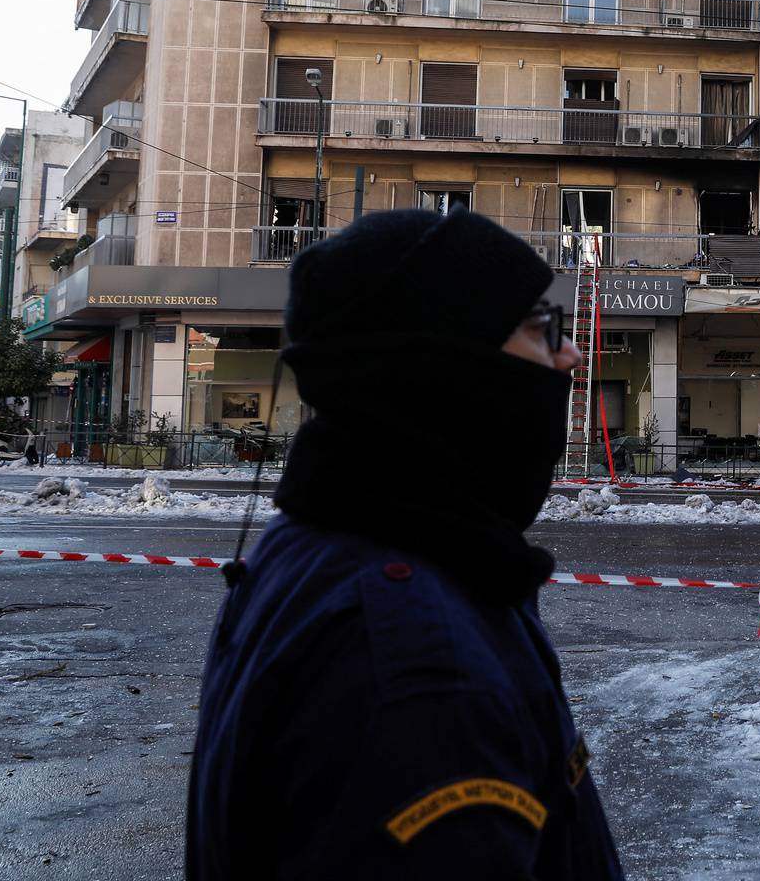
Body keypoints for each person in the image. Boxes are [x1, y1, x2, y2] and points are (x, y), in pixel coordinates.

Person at [187, 210, 622, 879]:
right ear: (445, 371)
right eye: (539, 330)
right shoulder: (418, 667)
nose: (570, 355)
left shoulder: (323, 544)